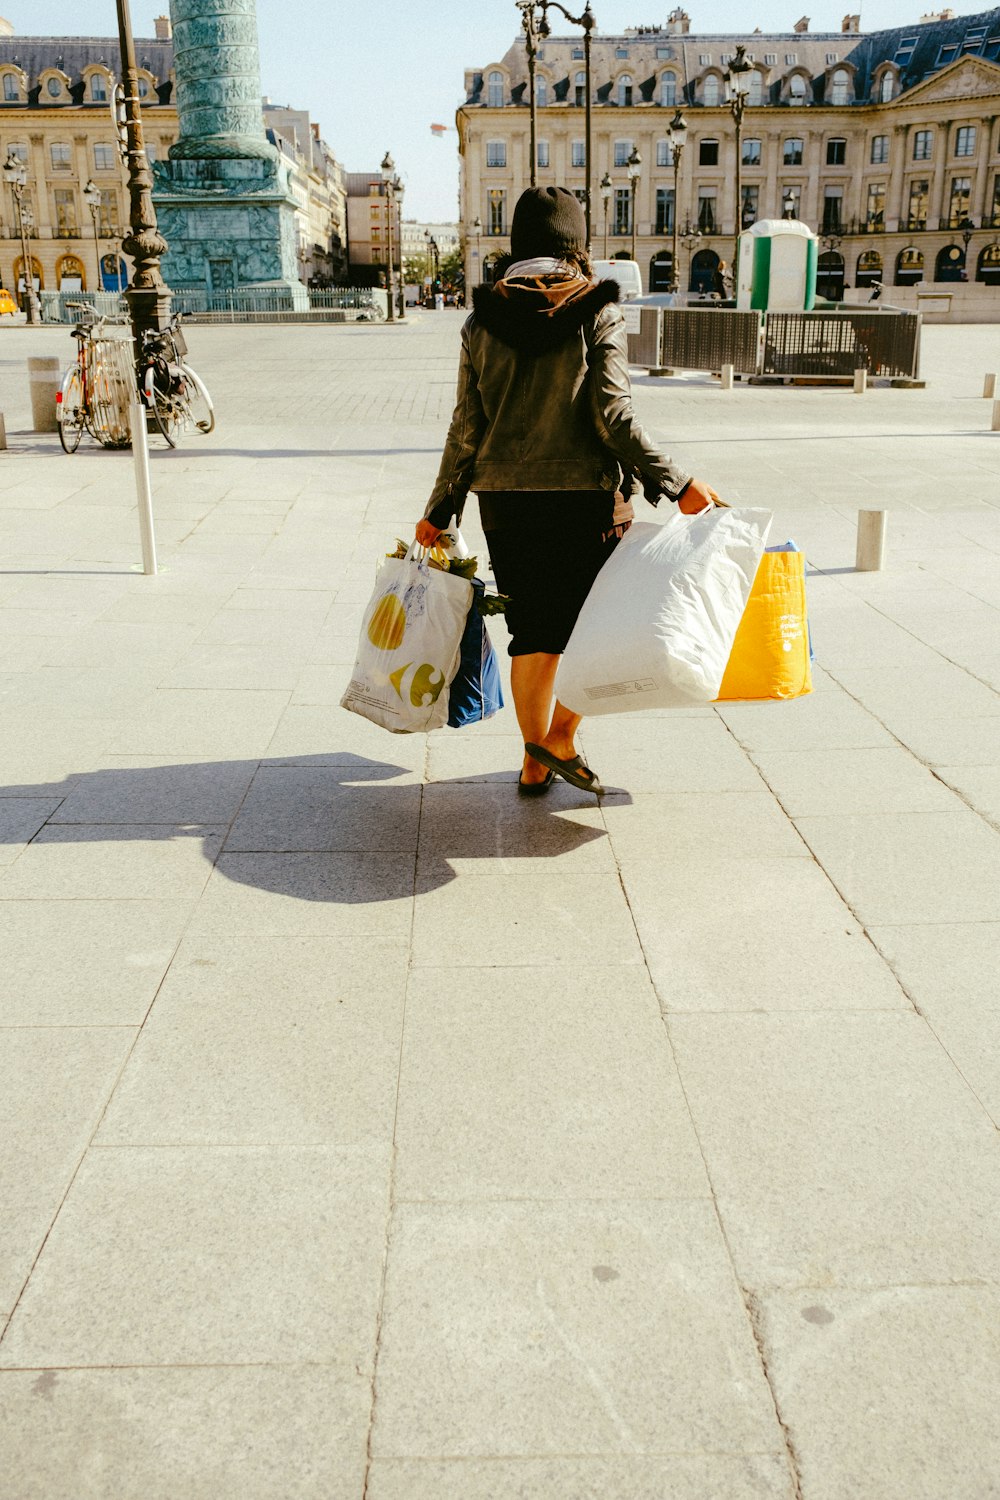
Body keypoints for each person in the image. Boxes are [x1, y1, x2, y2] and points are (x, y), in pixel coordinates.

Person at [415, 186, 719, 796]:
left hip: (504, 499)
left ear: (516, 246)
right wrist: (677, 482)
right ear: (577, 246)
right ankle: (557, 740)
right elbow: (613, 416)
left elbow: (465, 428)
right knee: (595, 625)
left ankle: (533, 762)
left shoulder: (480, 322)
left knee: (532, 630)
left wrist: (439, 510)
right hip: (586, 497)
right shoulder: (597, 311)